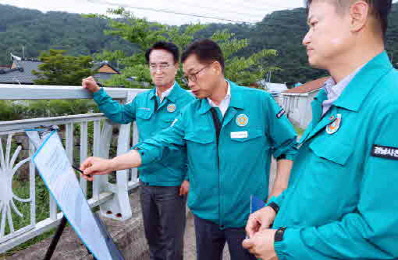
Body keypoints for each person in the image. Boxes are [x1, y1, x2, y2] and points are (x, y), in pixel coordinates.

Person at [80, 39, 297, 260]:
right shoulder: (191, 112)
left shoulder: (258, 102)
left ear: (215, 67)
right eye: (187, 77)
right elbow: (157, 144)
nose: (190, 83)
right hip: (205, 214)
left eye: (194, 75)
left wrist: (276, 198)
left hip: (248, 215)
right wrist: (110, 164)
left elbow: (288, 146)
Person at [243, 0, 398, 259]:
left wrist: (282, 243)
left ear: (356, 15)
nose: (305, 38)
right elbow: (314, 184)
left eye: (314, 24)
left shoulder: (390, 105)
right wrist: (275, 208)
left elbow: (381, 236)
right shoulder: (328, 99)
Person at [82, 41, 194, 260]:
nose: (158, 71)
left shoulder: (189, 102)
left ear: (176, 67)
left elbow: (195, 144)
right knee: (152, 237)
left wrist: (189, 177)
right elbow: (120, 115)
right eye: (153, 66)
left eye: (164, 65)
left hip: (173, 181)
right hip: (146, 178)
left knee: (172, 240)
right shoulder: (143, 99)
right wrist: (98, 92)